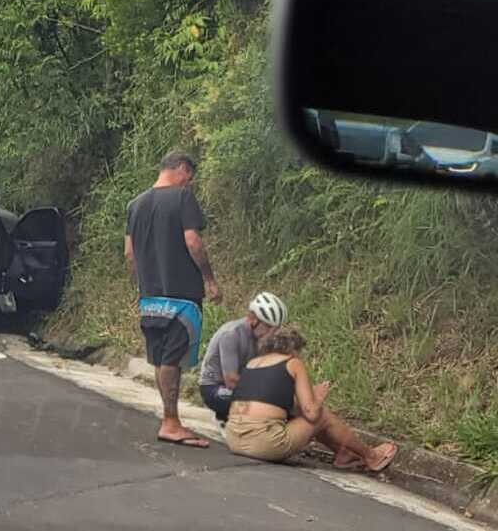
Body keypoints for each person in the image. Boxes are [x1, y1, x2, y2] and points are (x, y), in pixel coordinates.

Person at [125, 150, 222, 449]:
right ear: (180, 168)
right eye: (189, 176)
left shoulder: (135, 205)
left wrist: (142, 283)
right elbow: (193, 241)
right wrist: (209, 279)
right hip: (181, 295)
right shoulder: (182, 198)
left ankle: (171, 419)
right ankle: (170, 422)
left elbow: (129, 253)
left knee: (159, 356)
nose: (189, 183)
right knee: (172, 359)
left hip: (149, 296)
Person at [227, 324, 398, 472]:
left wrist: (305, 403)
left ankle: (344, 454)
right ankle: (372, 456)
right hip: (263, 443)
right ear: (293, 348)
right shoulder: (292, 362)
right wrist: (317, 398)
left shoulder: (253, 363)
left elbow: (270, 403)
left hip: (234, 438)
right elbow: (312, 413)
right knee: (322, 416)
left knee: (302, 415)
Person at [199, 291, 288, 424]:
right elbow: (231, 381)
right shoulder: (231, 334)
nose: (272, 333)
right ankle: (223, 417)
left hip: (240, 386)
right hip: (215, 387)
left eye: (275, 329)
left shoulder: (262, 337)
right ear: (253, 319)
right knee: (266, 405)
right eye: (268, 326)